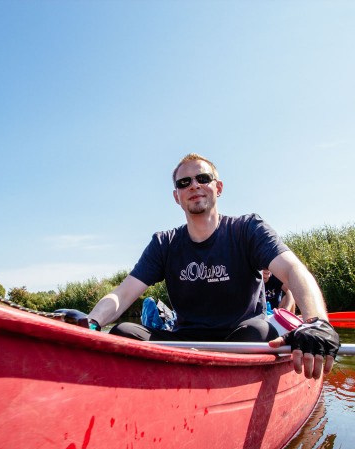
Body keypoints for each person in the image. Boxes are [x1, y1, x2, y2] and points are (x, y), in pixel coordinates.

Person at [82, 153, 339, 379]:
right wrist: (92, 322)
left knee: (261, 329)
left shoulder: (247, 229)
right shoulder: (165, 243)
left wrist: (317, 321)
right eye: (184, 183)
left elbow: (294, 270)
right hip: (185, 340)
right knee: (124, 331)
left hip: (242, 338)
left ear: (218, 188)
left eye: (202, 178)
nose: (194, 185)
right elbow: (123, 294)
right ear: (176, 197)